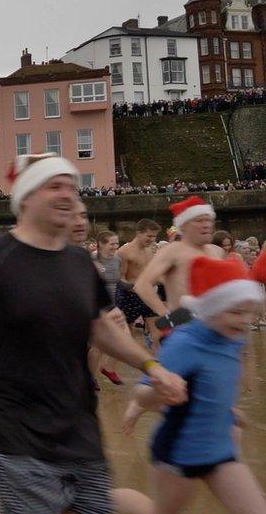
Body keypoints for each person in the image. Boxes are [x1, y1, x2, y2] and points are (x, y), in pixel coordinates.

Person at [0, 154, 187, 514]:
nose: (68, 195)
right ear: (27, 197)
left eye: (72, 188)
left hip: (79, 426)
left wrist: (152, 367)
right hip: (15, 433)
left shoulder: (79, 262)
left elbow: (100, 329)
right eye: (55, 186)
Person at [127, 256, 266, 514]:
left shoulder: (233, 332)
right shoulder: (172, 250)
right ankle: (105, 500)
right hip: (179, 453)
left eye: (250, 313)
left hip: (220, 447)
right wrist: (162, 330)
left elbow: (215, 377)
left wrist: (228, 408)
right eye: (237, 313)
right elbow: (146, 288)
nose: (246, 320)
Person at [134, 196, 227, 345]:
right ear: (183, 226)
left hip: (215, 329)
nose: (206, 225)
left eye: (208, 220)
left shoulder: (217, 252)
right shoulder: (173, 251)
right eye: (199, 220)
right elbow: (142, 285)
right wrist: (167, 316)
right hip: (185, 330)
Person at [117, 220, 162, 342]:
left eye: (155, 236)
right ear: (138, 233)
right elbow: (119, 278)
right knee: (127, 334)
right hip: (130, 296)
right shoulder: (123, 252)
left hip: (149, 294)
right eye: (149, 236)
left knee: (157, 333)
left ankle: (157, 358)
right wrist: (135, 287)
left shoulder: (150, 249)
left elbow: (151, 273)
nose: (152, 239)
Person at [92, 230, 125, 386]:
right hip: (96, 305)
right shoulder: (91, 259)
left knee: (123, 339)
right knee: (98, 345)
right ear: (101, 244)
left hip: (112, 305)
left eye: (117, 243)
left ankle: (108, 367)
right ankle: (90, 377)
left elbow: (118, 281)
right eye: (112, 243)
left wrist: (136, 285)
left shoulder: (117, 260)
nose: (115, 246)